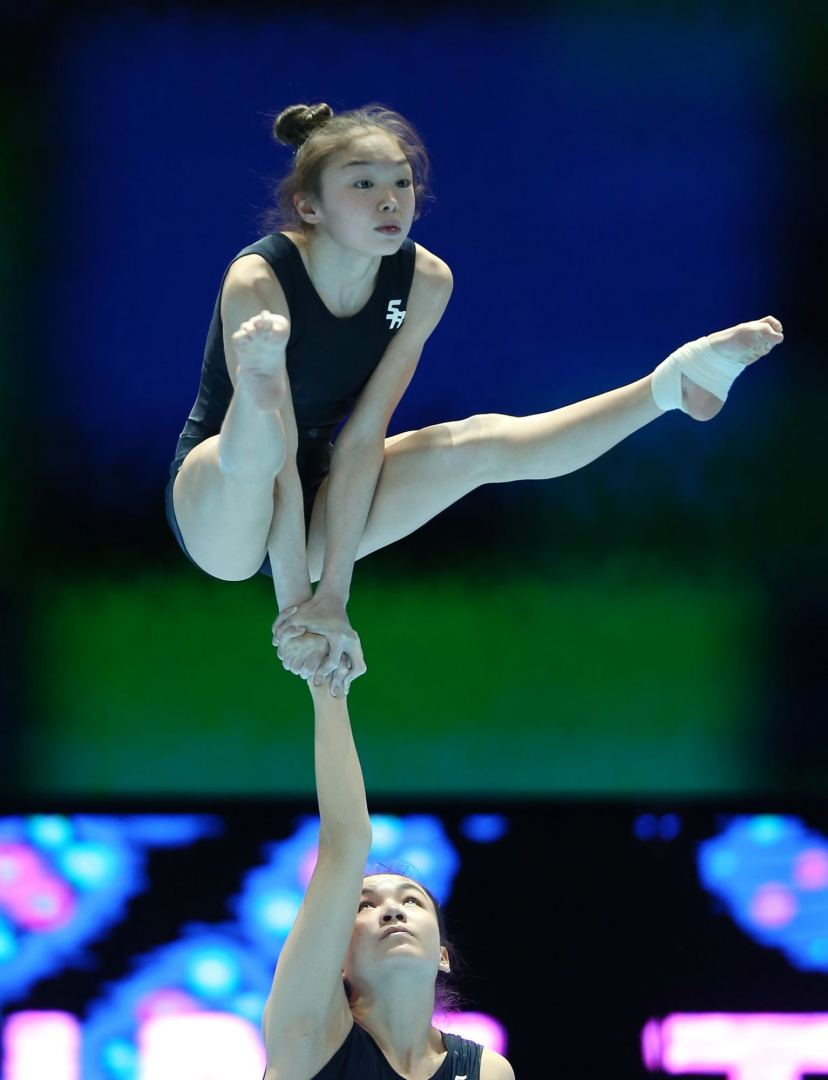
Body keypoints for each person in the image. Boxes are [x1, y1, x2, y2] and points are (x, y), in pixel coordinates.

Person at [167, 102, 784, 697]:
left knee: (478, 442)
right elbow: (275, 469)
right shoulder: (259, 278)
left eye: (401, 182)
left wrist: (332, 599)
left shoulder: (425, 280)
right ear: (310, 206)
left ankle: (670, 385)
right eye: (362, 184)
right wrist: (295, 612)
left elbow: (362, 439)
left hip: (319, 491)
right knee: (258, 450)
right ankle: (260, 386)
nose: (390, 200)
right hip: (218, 500)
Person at [261, 677, 514, 1080]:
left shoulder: (487, 1070)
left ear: (442, 956)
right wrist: (328, 685)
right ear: (338, 961)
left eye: (411, 900)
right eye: (365, 905)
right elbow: (345, 842)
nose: (393, 911)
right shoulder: (307, 1039)